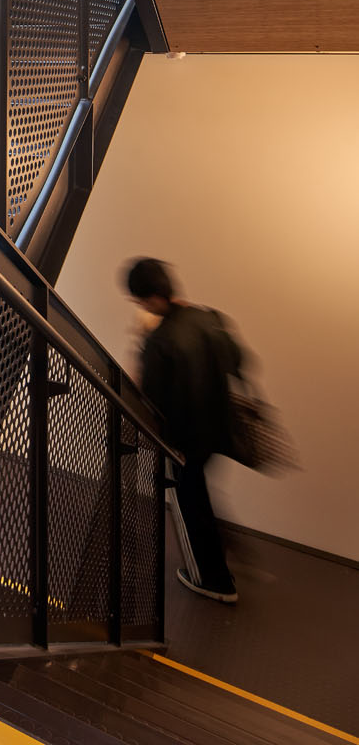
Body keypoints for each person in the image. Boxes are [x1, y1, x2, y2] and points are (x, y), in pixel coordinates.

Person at [125, 258, 242, 604]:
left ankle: (214, 582)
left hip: (185, 443)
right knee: (202, 499)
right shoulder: (209, 318)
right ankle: (222, 560)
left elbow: (149, 396)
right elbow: (238, 361)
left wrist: (140, 340)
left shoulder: (160, 340)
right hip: (220, 431)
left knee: (191, 507)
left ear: (149, 298)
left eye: (139, 300)